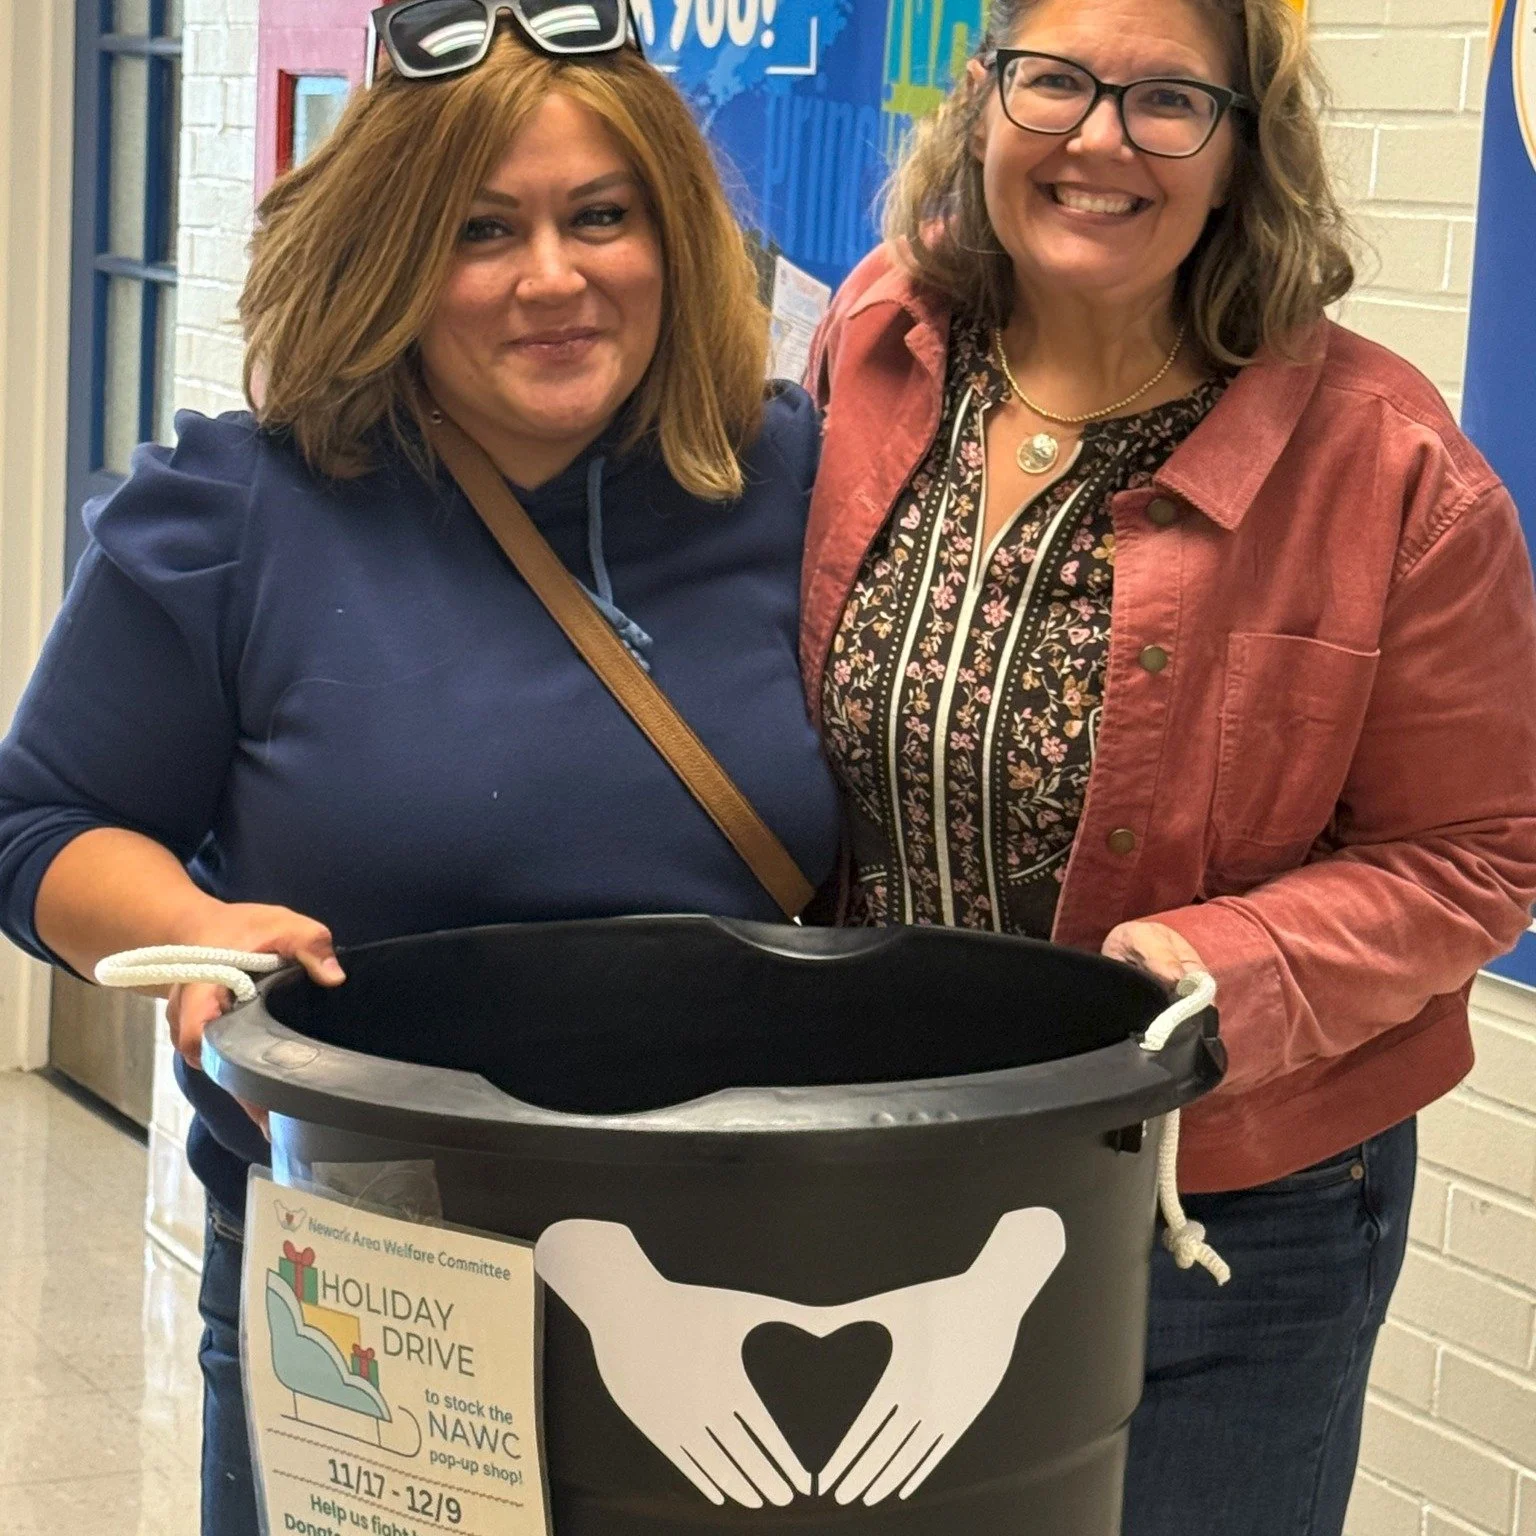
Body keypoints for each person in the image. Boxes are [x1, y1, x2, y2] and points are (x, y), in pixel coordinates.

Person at [0, 5, 839, 1532]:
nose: (553, 278)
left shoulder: (785, 480)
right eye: (479, 230)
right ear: (390, 252)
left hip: (745, 1270)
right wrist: (193, 930)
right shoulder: (240, 513)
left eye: (602, 216)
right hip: (378, 1300)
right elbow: (44, 825)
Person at [800, 0, 1536, 1529]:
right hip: (883, 1163)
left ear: (1242, 154)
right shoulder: (877, 344)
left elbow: (1485, 854)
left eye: (1166, 103)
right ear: (986, 100)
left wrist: (1219, 965)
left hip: (1221, 1216)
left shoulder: (1389, 467)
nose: (1096, 139)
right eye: (1054, 81)